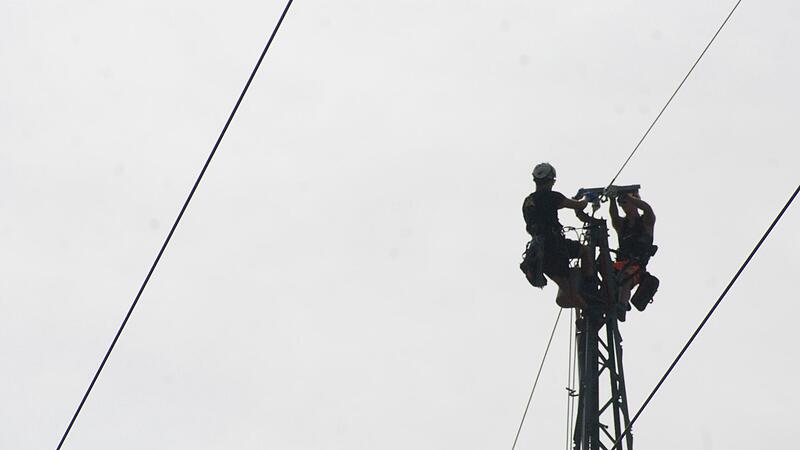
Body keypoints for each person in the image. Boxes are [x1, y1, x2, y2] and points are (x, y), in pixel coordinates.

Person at [521, 162, 595, 308]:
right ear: (552, 181)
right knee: (584, 253)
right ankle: (590, 291)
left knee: (568, 289)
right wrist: (586, 198)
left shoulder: (528, 201)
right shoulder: (552, 197)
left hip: (538, 252)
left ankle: (585, 311)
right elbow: (579, 205)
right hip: (555, 247)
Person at [608, 190, 660, 316]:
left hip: (636, 267)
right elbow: (614, 216)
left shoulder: (646, 221)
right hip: (619, 265)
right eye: (622, 203)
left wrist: (629, 197)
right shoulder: (622, 225)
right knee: (602, 265)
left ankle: (622, 305)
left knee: (625, 276)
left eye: (627, 201)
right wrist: (612, 199)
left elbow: (647, 209)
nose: (625, 205)